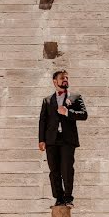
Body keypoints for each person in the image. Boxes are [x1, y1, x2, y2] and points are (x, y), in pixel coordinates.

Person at [38, 71, 87, 207]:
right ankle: (58, 197)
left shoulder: (76, 97)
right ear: (55, 81)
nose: (65, 80)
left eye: (66, 78)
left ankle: (68, 197)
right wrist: (41, 140)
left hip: (67, 140)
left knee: (67, 169)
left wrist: (67, 112)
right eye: (62, 78)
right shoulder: (47, 100)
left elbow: (84, 114)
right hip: (51, 140)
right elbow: (43, 121)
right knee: (54, 171)